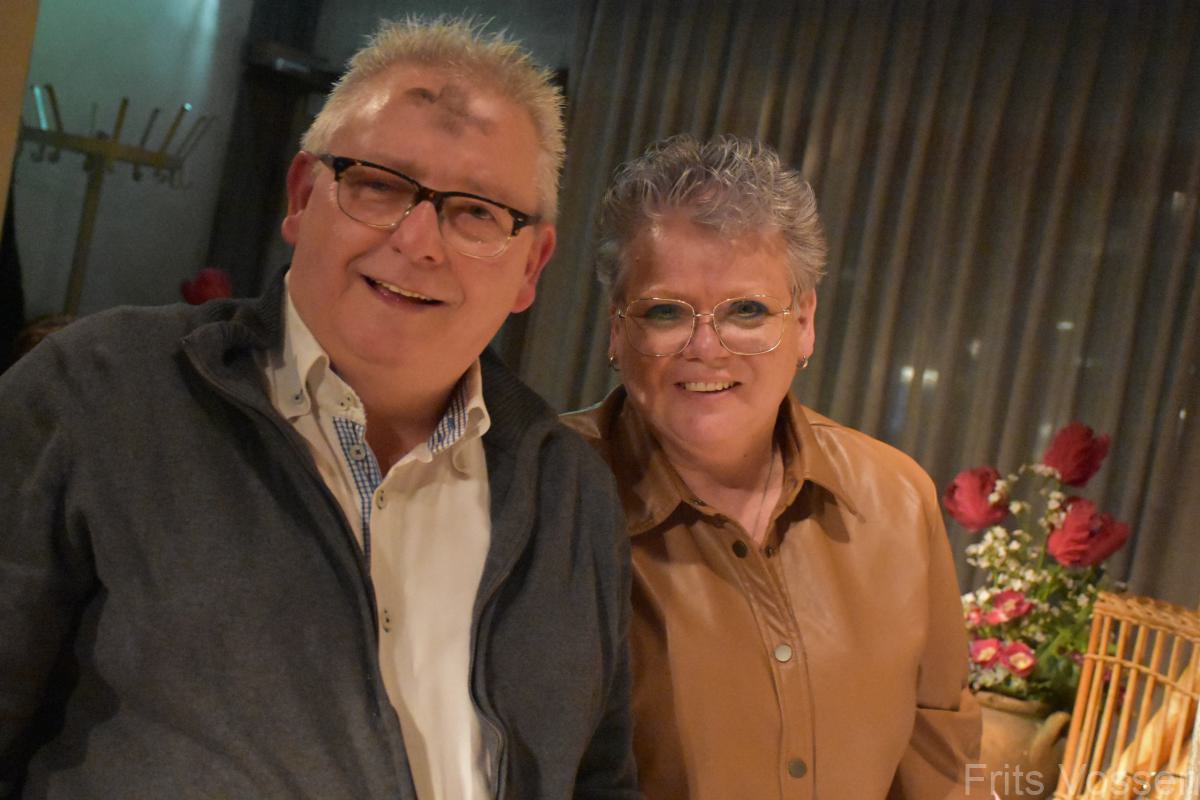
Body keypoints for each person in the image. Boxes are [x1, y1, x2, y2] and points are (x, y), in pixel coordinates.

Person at [0, 17, 638, 800]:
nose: (419, 241)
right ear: (303, 195)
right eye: (379, 184)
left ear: (531, 266)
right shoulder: (98, 393)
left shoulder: (571, 495)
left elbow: (600, 780)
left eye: (476, 212)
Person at [562, 134, 980, 799]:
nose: (707, 347)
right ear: (617, 329)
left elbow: (943, 771)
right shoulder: (549, 493)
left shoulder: (899, 497)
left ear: (804, 322)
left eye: (747, 311)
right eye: (666, 311)